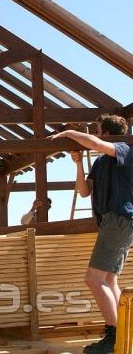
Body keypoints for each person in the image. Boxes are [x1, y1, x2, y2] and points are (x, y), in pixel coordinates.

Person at [49, 114, 132, 354]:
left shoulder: (124, 149)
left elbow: (94, 144)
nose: (95, 134)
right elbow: (84, 192)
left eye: (97, 130)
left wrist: (66, 133)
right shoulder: (99, 163)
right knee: (108, 280)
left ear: (107, 133)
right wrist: (77, 164)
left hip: (118, 219)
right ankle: (122, 333)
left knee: (93, 279)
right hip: (112, 221)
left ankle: (113, 336)